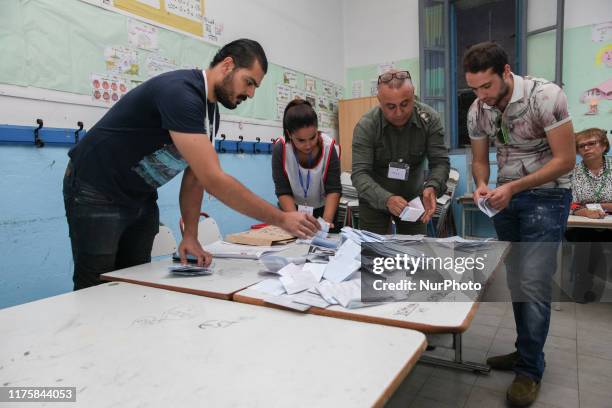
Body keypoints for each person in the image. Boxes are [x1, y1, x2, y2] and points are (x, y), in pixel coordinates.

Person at [63, 39, 319, 290]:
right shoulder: (181, 93)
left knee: (131, 281)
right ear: (228, 65)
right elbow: (213, 179)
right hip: (96, 188)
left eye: (255, 87)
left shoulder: (209, 111)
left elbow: (195, 176)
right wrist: (281, 218)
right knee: (94, 286)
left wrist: (191, 236)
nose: (250, 93)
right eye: (249, 82)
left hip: (138, 196)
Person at [464, 41, 575, 406]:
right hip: (506, 199)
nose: (482, 96)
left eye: (487, 86)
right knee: (516, 281)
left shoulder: (546, 96)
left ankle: (530, 370)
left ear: (506, 72)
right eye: (475, 88)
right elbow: (480, 160)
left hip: (546, 196)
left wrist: (513, 186)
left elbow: (565, 160)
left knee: (533, 281)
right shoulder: (478, 109)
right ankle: (525, 352)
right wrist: (482, 184)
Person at [351, 69, 450, 235]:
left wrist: (433, 186)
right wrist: (386, 199)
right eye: (390, 107)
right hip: (374, 199)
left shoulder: (430, 120)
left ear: (413, 95)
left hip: (413, 202)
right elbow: (360, 174)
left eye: (405, 104)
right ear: (379, 101)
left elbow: (440, 163)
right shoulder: (367, 126)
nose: (398, 112)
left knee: (413, 254)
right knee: (375, 255)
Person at [271, 99, 341, 231]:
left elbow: (334, 189)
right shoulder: (281, 149)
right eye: (301, 140)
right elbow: (283, 191)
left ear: (317, 130)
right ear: (289, 134)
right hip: (292, 209)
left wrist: (326, 223)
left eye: (313, 137)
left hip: (325, 210)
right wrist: (294, 220)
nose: (308, 145)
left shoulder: (329, 147)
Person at [565, 128, 612, 303]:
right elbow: (568, 201)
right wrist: (584, 211)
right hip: (581, 223)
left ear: (603, 145)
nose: (586, 148)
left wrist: (598, 206)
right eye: (581, 146)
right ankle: (582, 288)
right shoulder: (572, 171)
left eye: (591, 143)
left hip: (608, 223)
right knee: (585, 238)